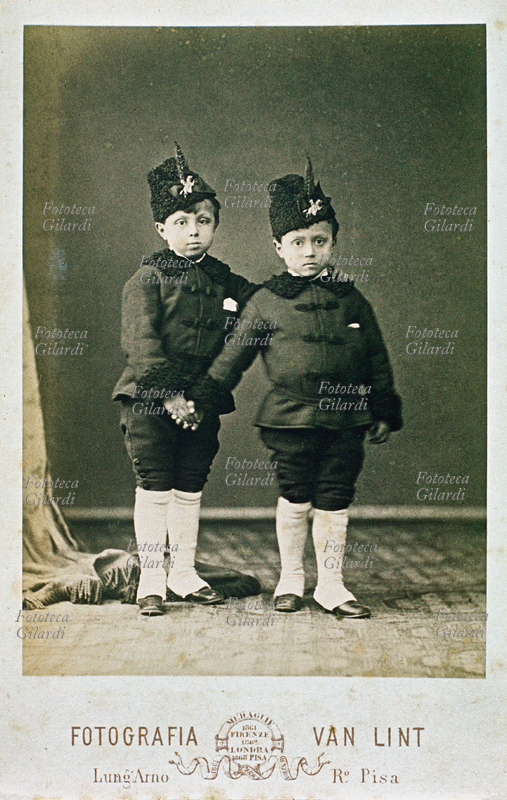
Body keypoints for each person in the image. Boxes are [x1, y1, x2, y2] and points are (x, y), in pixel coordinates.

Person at [186, 159, 403, 618]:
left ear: (333, 243)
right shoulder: (265, 301)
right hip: (291, 419)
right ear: (279, 247)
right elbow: (233, 358)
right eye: (298, 242)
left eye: (320, 241)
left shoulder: (350, 296)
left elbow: (375, 355)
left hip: (347, 418)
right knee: (296, 496)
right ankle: (291, 579)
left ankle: (332, 585)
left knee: (335, 499)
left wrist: (382, 406)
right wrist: (201, 399)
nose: (310, 252)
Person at [112, 143, 258, 616]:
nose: (193, 232)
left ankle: (184, 573)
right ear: (161, 228)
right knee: (155, 487)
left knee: (190, 486)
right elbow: (141, 342)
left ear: (215, 225)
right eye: (181, 222)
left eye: (203, 221)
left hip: (201, 403)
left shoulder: (224, 280)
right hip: (150, 402)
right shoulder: (147, 279)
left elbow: (262, 307)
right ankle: (152, 578)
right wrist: (170, 393)